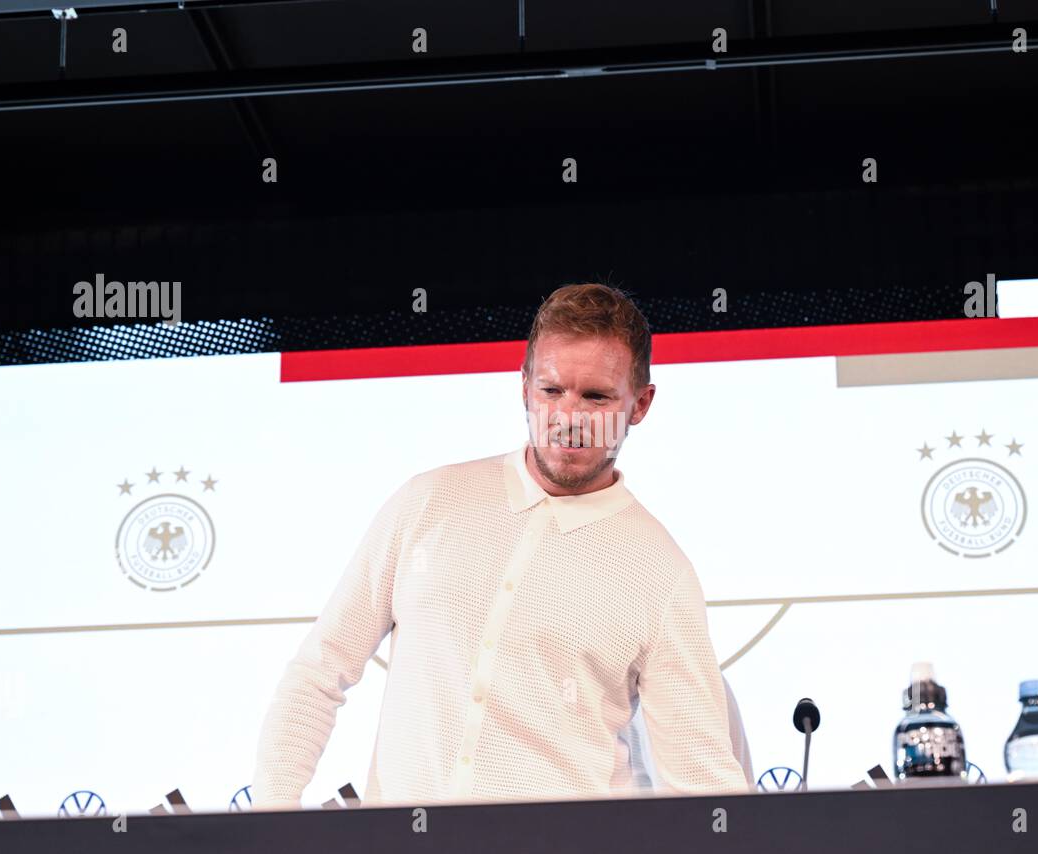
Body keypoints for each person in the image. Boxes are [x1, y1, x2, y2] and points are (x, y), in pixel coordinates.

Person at [251, 282, 750, 808]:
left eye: (596, 397)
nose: (569, 417)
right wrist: (272, 822)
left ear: (641, 403)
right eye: (551, 391)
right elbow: (318, 674)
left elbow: (704, 787)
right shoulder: (428, 503)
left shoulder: (660, 574)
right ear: (523, 387)